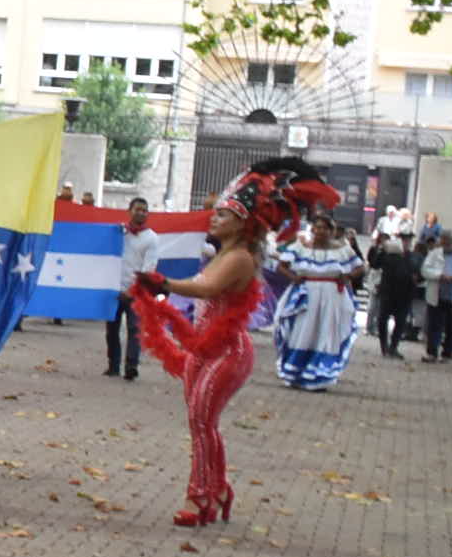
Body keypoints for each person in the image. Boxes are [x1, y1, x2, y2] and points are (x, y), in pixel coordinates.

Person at [132, 159, 329, 525]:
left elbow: (206, 288)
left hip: (228, 352)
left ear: (242, 222)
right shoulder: (222, 254)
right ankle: (218, 489)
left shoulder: (239, 258)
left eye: (223, 215)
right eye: (216, 214)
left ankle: (200, 498)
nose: (213, 219)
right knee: (200, 423)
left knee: (202, 420)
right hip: (203, 349)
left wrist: (165, 285)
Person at [271, 213, 362, 390]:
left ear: (331, 231)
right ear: (312, 229)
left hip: (332, 296)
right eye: (317, 227)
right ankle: (295, 372)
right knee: (303, 330)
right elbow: (282, 265)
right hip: (306, 294)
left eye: (324, 228)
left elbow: (360, 266)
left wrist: (348, 276)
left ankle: (320, 375)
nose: (320, 231)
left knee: (326, 332)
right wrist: (293, 277)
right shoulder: (301, 247)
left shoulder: (342, 249)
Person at [104, 199, 157, 381]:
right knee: (112, 329)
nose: (141, 213)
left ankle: (131, 366)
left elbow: (149, 269)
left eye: (145, 210)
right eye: (138, 209)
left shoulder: (152, 238)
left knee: (135, 329)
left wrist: (133, 290)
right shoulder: (119, 233)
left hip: (136, 291)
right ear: (129, 211)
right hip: (114, 289)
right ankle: (113, 365)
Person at [368, 223, 421, 359]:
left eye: (408, 239)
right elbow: (375, 264)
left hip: (405, 294)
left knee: (401, 321)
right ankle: (384, 346)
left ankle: (393, 347)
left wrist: (416, 279)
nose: (405, 242)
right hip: (388, 292)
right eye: (403, 238)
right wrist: (380, 248)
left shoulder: (414, 256)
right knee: (382, 319)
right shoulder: (389, 254)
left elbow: (419, 273)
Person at [418, 227, 452, 364]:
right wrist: (440, 275)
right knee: (435, 325)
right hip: (437, 295)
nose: (447, 245)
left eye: (450, 242)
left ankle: (448, 353)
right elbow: (425, 270)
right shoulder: (435, 254)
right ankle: (432, 353)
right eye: (444, 242)